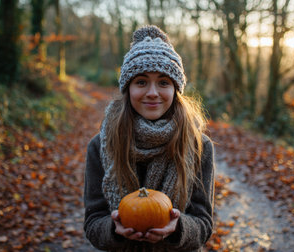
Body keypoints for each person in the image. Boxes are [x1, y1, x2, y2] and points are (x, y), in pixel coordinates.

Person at [83, 25, 215, 252]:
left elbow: (203, 225)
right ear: (128, 88)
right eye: (141, 82)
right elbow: (93, 222)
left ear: (176, 90)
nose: (152, 92)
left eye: (163, 82)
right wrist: (114, 230)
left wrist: (178, 228)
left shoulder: (198, 146)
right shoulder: (102, 145)